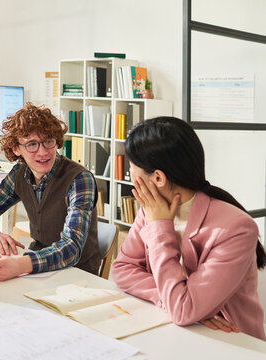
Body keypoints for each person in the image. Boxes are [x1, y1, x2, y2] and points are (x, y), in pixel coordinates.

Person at [111, 116, 266, 340]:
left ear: (158, 178)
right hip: (174, 332)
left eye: (132, 167)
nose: (130, 174)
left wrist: (159, 227)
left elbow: (183, 310)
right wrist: (174, 300)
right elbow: (123, 269)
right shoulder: (151, 209)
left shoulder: (237, 228)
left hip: (231, 343)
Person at [0, 102, 100, 281]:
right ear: (16, 149)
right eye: (32, 144)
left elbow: (71, 248)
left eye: (48, 142)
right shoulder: (20, 173)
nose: (43, 152)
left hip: (76, 276)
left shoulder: (80, 179)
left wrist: (20, 264)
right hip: (37, 269)